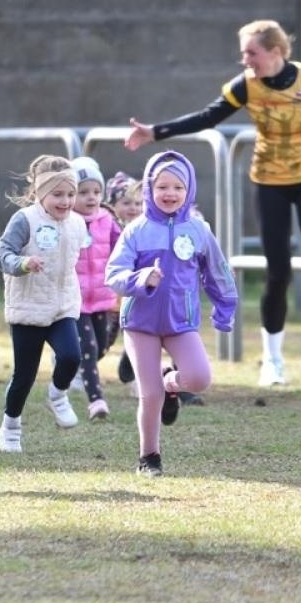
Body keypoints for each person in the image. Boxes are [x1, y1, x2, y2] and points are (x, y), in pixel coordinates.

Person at [125, 18, 301, 387]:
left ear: (275, 52)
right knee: (278, 270)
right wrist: (156, 132)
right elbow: (209, 116)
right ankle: (272, 359)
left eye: (251, 53)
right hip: (270, 182)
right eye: (243, 54)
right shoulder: (246, 86)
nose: (245, 61)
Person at [105, 149, 238, 476]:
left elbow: (217, 271)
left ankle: (170, 384)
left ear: (189, 190)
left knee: (199, 378)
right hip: (140, 323)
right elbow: (114, 274)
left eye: (178, 187)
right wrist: (140, 279)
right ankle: (149, 457)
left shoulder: (198, 230)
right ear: (150, 189)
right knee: (148, 396)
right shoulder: (136, 230)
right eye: (162, 186)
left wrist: (225, 306)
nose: (170, 193)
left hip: (181, 322)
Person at [0, 155, 84, 452]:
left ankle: (58, 394)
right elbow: (1, 254)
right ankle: (11, 426)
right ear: (39, 194)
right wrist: (22, 263)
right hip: (28, 309)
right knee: (24, 376)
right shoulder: (25, 220)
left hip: (63, 306)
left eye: (71, 194)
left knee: (71, 357)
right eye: (58, 194)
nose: (66, 201)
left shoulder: (78, 223)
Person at [72, 156, 121, 419]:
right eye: (83, 192)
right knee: (89, 348)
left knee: (102, 345)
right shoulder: (66, 221)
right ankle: (96, 401)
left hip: (103, 297)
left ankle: (70, 364)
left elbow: (121, 247)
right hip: (76, 301)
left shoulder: (107, 220)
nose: (91, 198)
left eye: (96, 192)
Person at [108, 173, 144, 393]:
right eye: (126, 203)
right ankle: (78, 371)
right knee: (103, 342)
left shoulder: (145, 229)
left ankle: (138, 382)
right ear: (112, 205)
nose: (133, 208)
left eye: (138, 203)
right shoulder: (108, 228)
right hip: (109, 301)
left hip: (135, 298)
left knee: (138, 340)